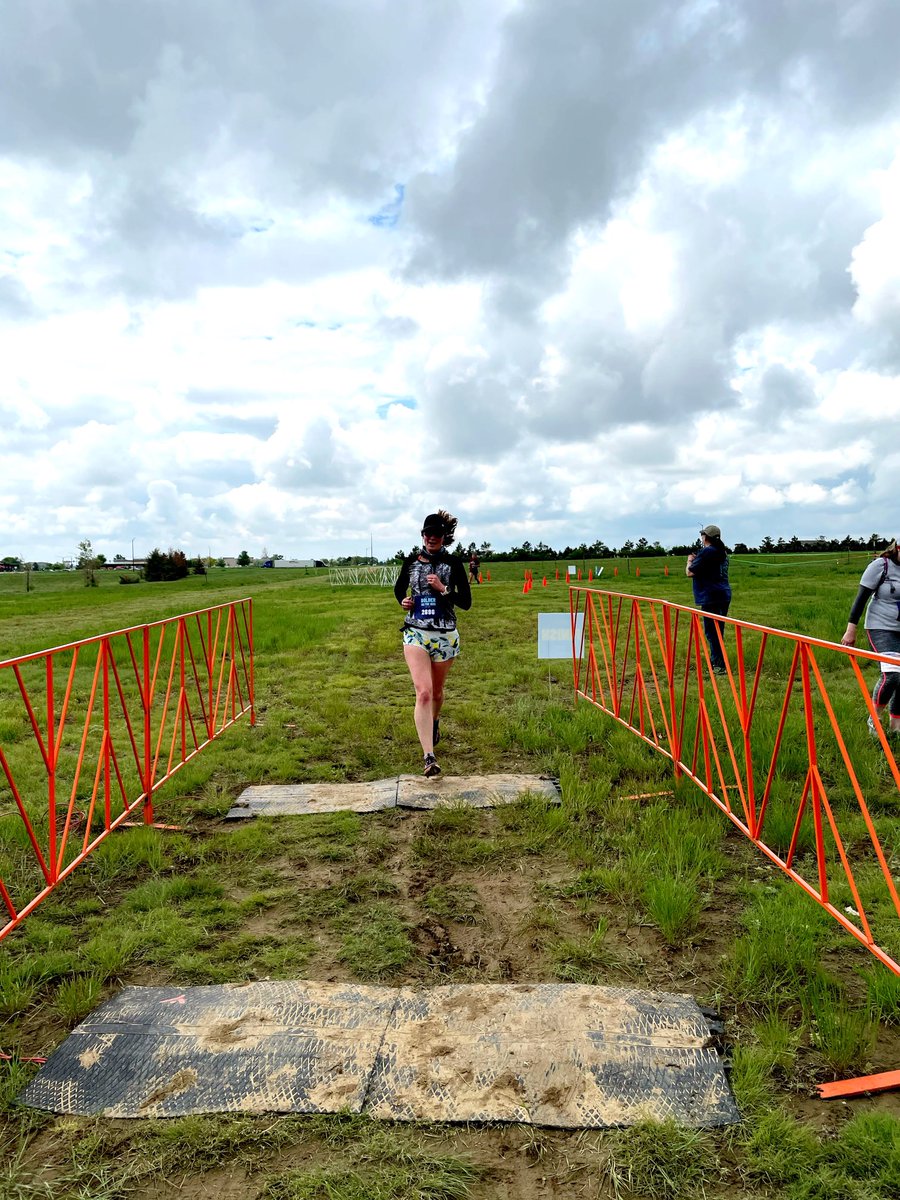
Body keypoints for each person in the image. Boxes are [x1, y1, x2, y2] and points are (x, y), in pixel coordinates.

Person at [394, 510, 472, 777]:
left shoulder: (453, 563)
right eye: (428, 534)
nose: (432, 538)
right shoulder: (410, 562)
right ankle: (429, 756)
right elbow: (398, 589)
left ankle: (434, 721)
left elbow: (467, 602)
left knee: (437, 692)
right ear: (422, 535)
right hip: (415, 632)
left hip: (445, 635)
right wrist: (403, 601)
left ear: (444, 537)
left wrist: (443, 589)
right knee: (424, 692)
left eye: (437, 534)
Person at [841, 539, 900, 736]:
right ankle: (875, 718)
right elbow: (861, 598)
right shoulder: (880, 566)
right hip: (880, 627)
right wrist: (851, 630)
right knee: (892, 674)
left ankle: (895, 727)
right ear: (897, 549)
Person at [686, 524, 732, 674]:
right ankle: (718, 662)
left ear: (706, 537)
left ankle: (719, 666)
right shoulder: (722, 552)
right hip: (723, 594)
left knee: (712, 632)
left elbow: (690, 573)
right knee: (718, 630)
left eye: (702, 535)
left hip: (711, 596)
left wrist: (689, 561)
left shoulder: (707, 552)